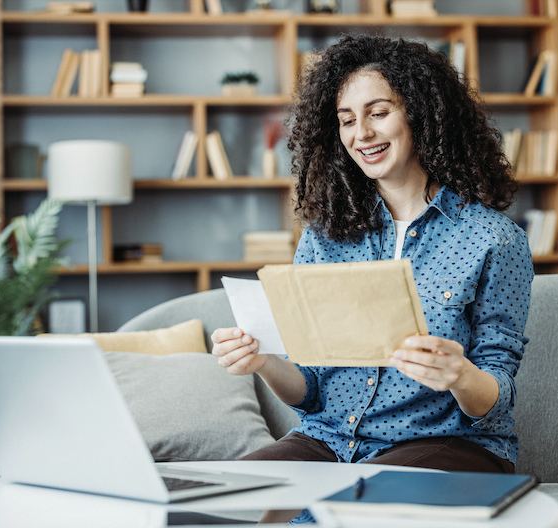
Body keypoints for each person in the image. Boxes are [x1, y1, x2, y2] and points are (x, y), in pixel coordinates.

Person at [211, 33, 533, 494]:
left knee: (365, 504)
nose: (361, 134)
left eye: (378, 113)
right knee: (227, 496)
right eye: (346, 120)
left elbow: (496, 398)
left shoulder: (494, 239)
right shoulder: (323, 239)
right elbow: (311, 390)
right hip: (331, 441)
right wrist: (263, 362)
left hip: (450, 444)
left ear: (421, 115)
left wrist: (460, 375)